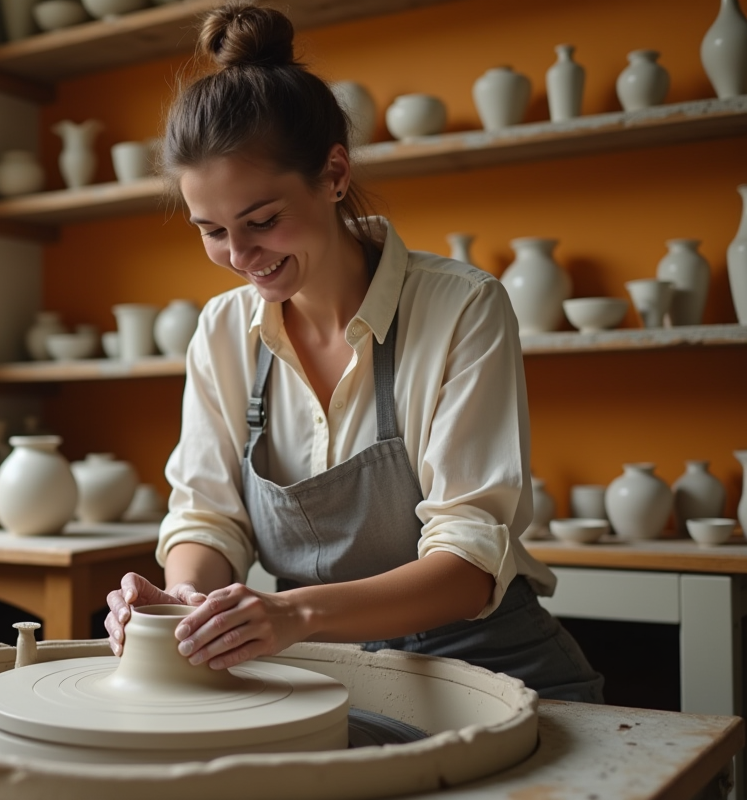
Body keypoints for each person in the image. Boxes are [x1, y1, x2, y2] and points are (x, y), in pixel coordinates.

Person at [103, 0, 603, 703]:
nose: (240, 257)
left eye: (263, 221)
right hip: (321, 669)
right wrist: (184, 600)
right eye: (211, 230)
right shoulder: (224, 331)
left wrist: (293, 612)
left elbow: (466, 564)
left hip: (488, 667)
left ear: (334, 173)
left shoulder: (461, 307)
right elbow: (209, 517)